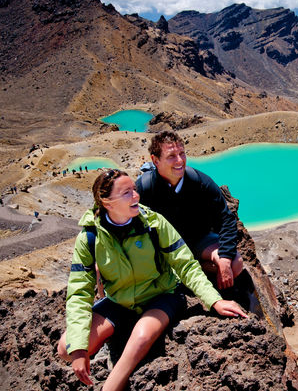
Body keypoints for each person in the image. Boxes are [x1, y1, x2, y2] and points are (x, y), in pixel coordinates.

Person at [57, 169, 246, 391]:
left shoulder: (153, 223)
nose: (136, 196)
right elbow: (79, 292)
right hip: (120, 301)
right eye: (126, 193)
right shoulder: (90, 237)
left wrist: (214, 300)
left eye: (135, 190)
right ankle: (114, 336)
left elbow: (185, 265)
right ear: (106, 202)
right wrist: (79, 350)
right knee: (65, 348)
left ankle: (111, 386)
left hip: (161, 296)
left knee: (142, 336)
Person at [136, 131, 243, 291]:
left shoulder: (200, 182)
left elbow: (225, 220)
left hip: (196, 241)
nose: (180, 160)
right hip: (161, 250)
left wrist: (225, 259)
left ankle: (193, 270)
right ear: (155, 160)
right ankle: (181, 273)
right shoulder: (143, 188)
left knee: (236, 264)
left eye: (182, 154)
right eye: (171, 156)